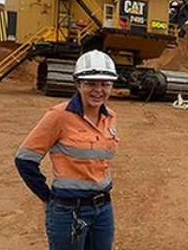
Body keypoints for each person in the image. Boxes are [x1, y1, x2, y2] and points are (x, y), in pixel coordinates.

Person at [15, 50, 120, 250]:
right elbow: (24, 159)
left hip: (104, 209)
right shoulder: (59, 116)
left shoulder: (110, 117)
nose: (98, 90)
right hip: (69, 211)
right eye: (90, 83)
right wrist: (46, 196)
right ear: (77, 84)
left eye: (105, 83)